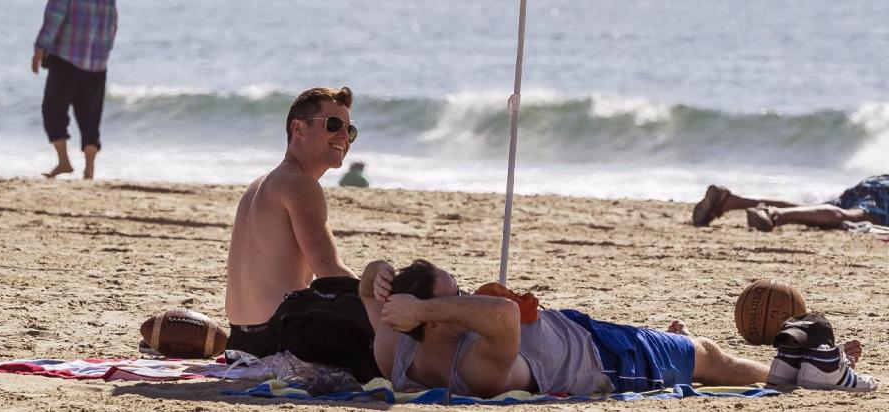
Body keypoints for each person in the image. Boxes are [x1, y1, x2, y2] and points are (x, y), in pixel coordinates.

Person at [358, 259, 874, 397]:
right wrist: (426, 308)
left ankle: (781, 368)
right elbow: (505, 316)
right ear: (430, 319)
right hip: (605, 362)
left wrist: (379, 275)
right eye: (457, 295)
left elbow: (365, 288)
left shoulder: (396, 351)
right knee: (707, 356)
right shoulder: (473, 369)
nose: (468, 297)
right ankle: (794, 375)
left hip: (580, 332)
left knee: (687, 345)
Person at [225, 86, 359, 358]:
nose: (344, 136)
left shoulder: (260, 184)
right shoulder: (299, 184)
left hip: (240, 341)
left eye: (350, 130)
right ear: (298, 129)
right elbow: (331, 273)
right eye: (333, 125)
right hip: (278, 341)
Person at [31, 0, 117, 180]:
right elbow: (113, 25)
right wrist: (103, 53)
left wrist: (39, 48)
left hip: (67, 59)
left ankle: (64, 161)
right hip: (98, 63)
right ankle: (89, 169)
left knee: (53, 109)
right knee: (90, 116)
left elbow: (54, 19)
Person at [691, 175, 889, 232]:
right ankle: (776, 215)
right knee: (851, 216)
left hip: (877, 182)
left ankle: (730, 201)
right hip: (884, 192)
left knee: (810, 209)